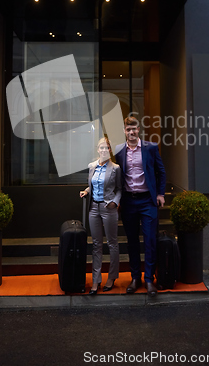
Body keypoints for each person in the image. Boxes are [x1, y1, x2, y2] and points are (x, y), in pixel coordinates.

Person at [115, 116, 166, 297]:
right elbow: (115, 176)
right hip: (129, 201)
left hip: (147, 201)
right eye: (128, 129)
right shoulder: (119, 151)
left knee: (150, 240)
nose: (131, 132)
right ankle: (135, 278)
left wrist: (160, 194)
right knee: (132, 241)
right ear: (124, 131)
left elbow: (161, 171)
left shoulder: (150, 148)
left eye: (134, 129)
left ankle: (150, 279)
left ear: (139, 130)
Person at [80, 137, 121, 295]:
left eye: (107, 148)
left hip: (108, 208)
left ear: (110, 150)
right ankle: (96, 280)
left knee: (112, 243)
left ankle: (112, 277)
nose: (104, 150)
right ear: (97, 149)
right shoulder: (92, 166)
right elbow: (93, 184)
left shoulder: (115, 168)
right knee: (96, 245)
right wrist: (86, 191)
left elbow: (119, 189)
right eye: (101, 148)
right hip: (94, 208)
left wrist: (115, 203)